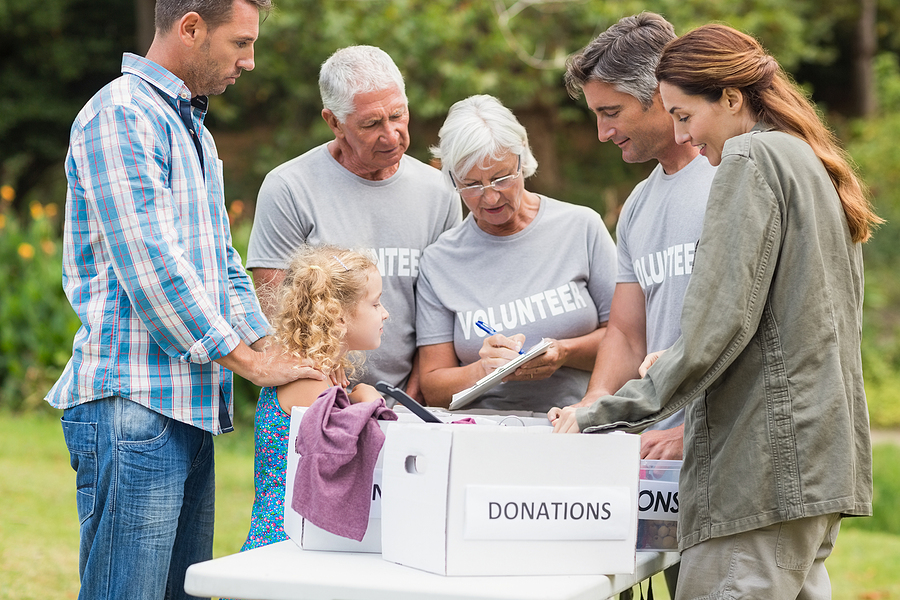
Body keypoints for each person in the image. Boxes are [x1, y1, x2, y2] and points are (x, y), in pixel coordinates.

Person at [551, 23, 879, 599]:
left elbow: (719, 326)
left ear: (730, 99)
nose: (684, 133)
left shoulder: (750, 158)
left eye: (684, 115)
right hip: (807, 471)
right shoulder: (805, 159)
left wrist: (606, 412)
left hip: (757, 476)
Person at [44, 2, 323, 598]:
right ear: (191, 27)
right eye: (240, 43)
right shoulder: (120, 115)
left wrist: (271, 349)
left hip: (190, 408)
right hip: (132, 407)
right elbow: (152, 268)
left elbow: (221, 261)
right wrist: (249, 363)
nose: (250, 62)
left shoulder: (191, 127)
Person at [246, 45, 462, 400]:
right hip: (316, 395)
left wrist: (421, 382)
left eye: (398, 115)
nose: (391, 134)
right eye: (372, 124)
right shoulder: (290, 187)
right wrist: (320, 378)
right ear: (334, 122)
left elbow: (442, 303)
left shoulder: (439, 191)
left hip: (409, 399)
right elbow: (274, 308)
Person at [564, 12, 717, 463]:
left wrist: (696, 433)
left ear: (658, 95)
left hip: (724, 443)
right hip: (657, 451)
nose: (602, 133)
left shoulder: (731, 177)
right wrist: (595, 401)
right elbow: (628, 334)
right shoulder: (636, 207)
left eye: (611, 113)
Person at [415, 94, 617, 414]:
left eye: (501, 178)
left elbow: (627, 339)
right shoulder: (439, 262)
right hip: (484, 429)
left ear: (522, 158)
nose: (491, 197)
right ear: (452, 179)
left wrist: (564, 351)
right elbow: (433, 387)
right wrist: (483, 369)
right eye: (472, 185)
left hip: (576, 423)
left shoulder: (581, 227)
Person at [239, 245, 389, 550]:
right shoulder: (311, 379)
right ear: (339, 317)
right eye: (375, 303)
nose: (385, 313)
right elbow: (342, 461)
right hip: (288, 541)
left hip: (290, 532)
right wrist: (368, 401)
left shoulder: (312, 371)